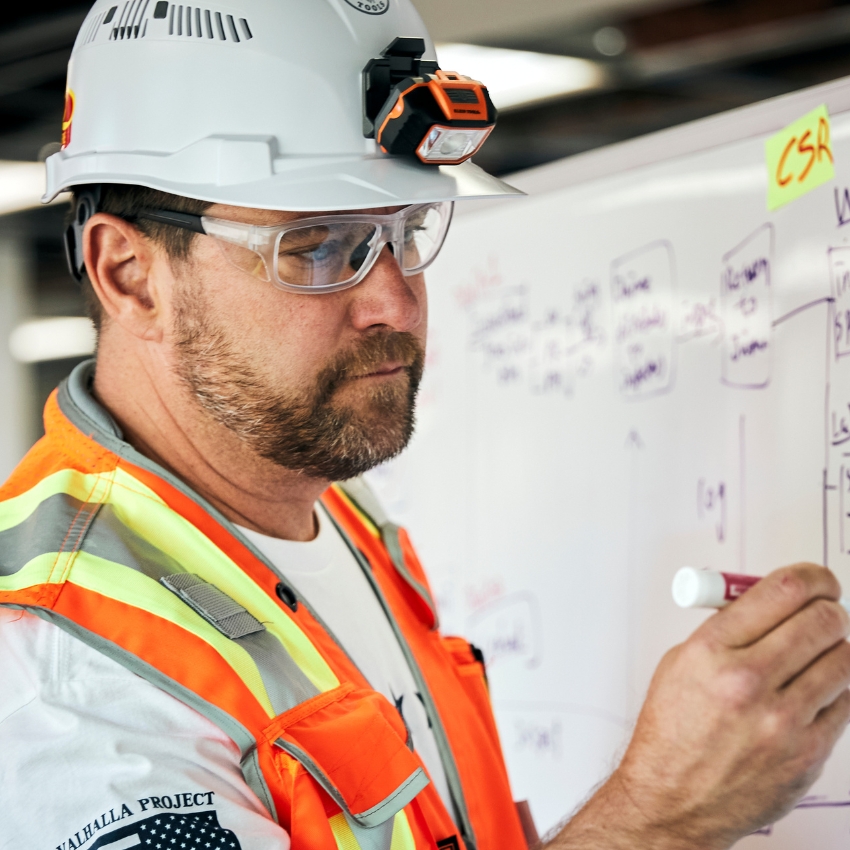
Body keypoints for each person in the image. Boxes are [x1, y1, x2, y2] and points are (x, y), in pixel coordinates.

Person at [1, 1, 849, 849]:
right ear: (130, 275)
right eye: (318, 246)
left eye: (405, 232)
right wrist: (658, 818)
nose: (397, 302)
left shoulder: (335, 509)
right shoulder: (65, 683)